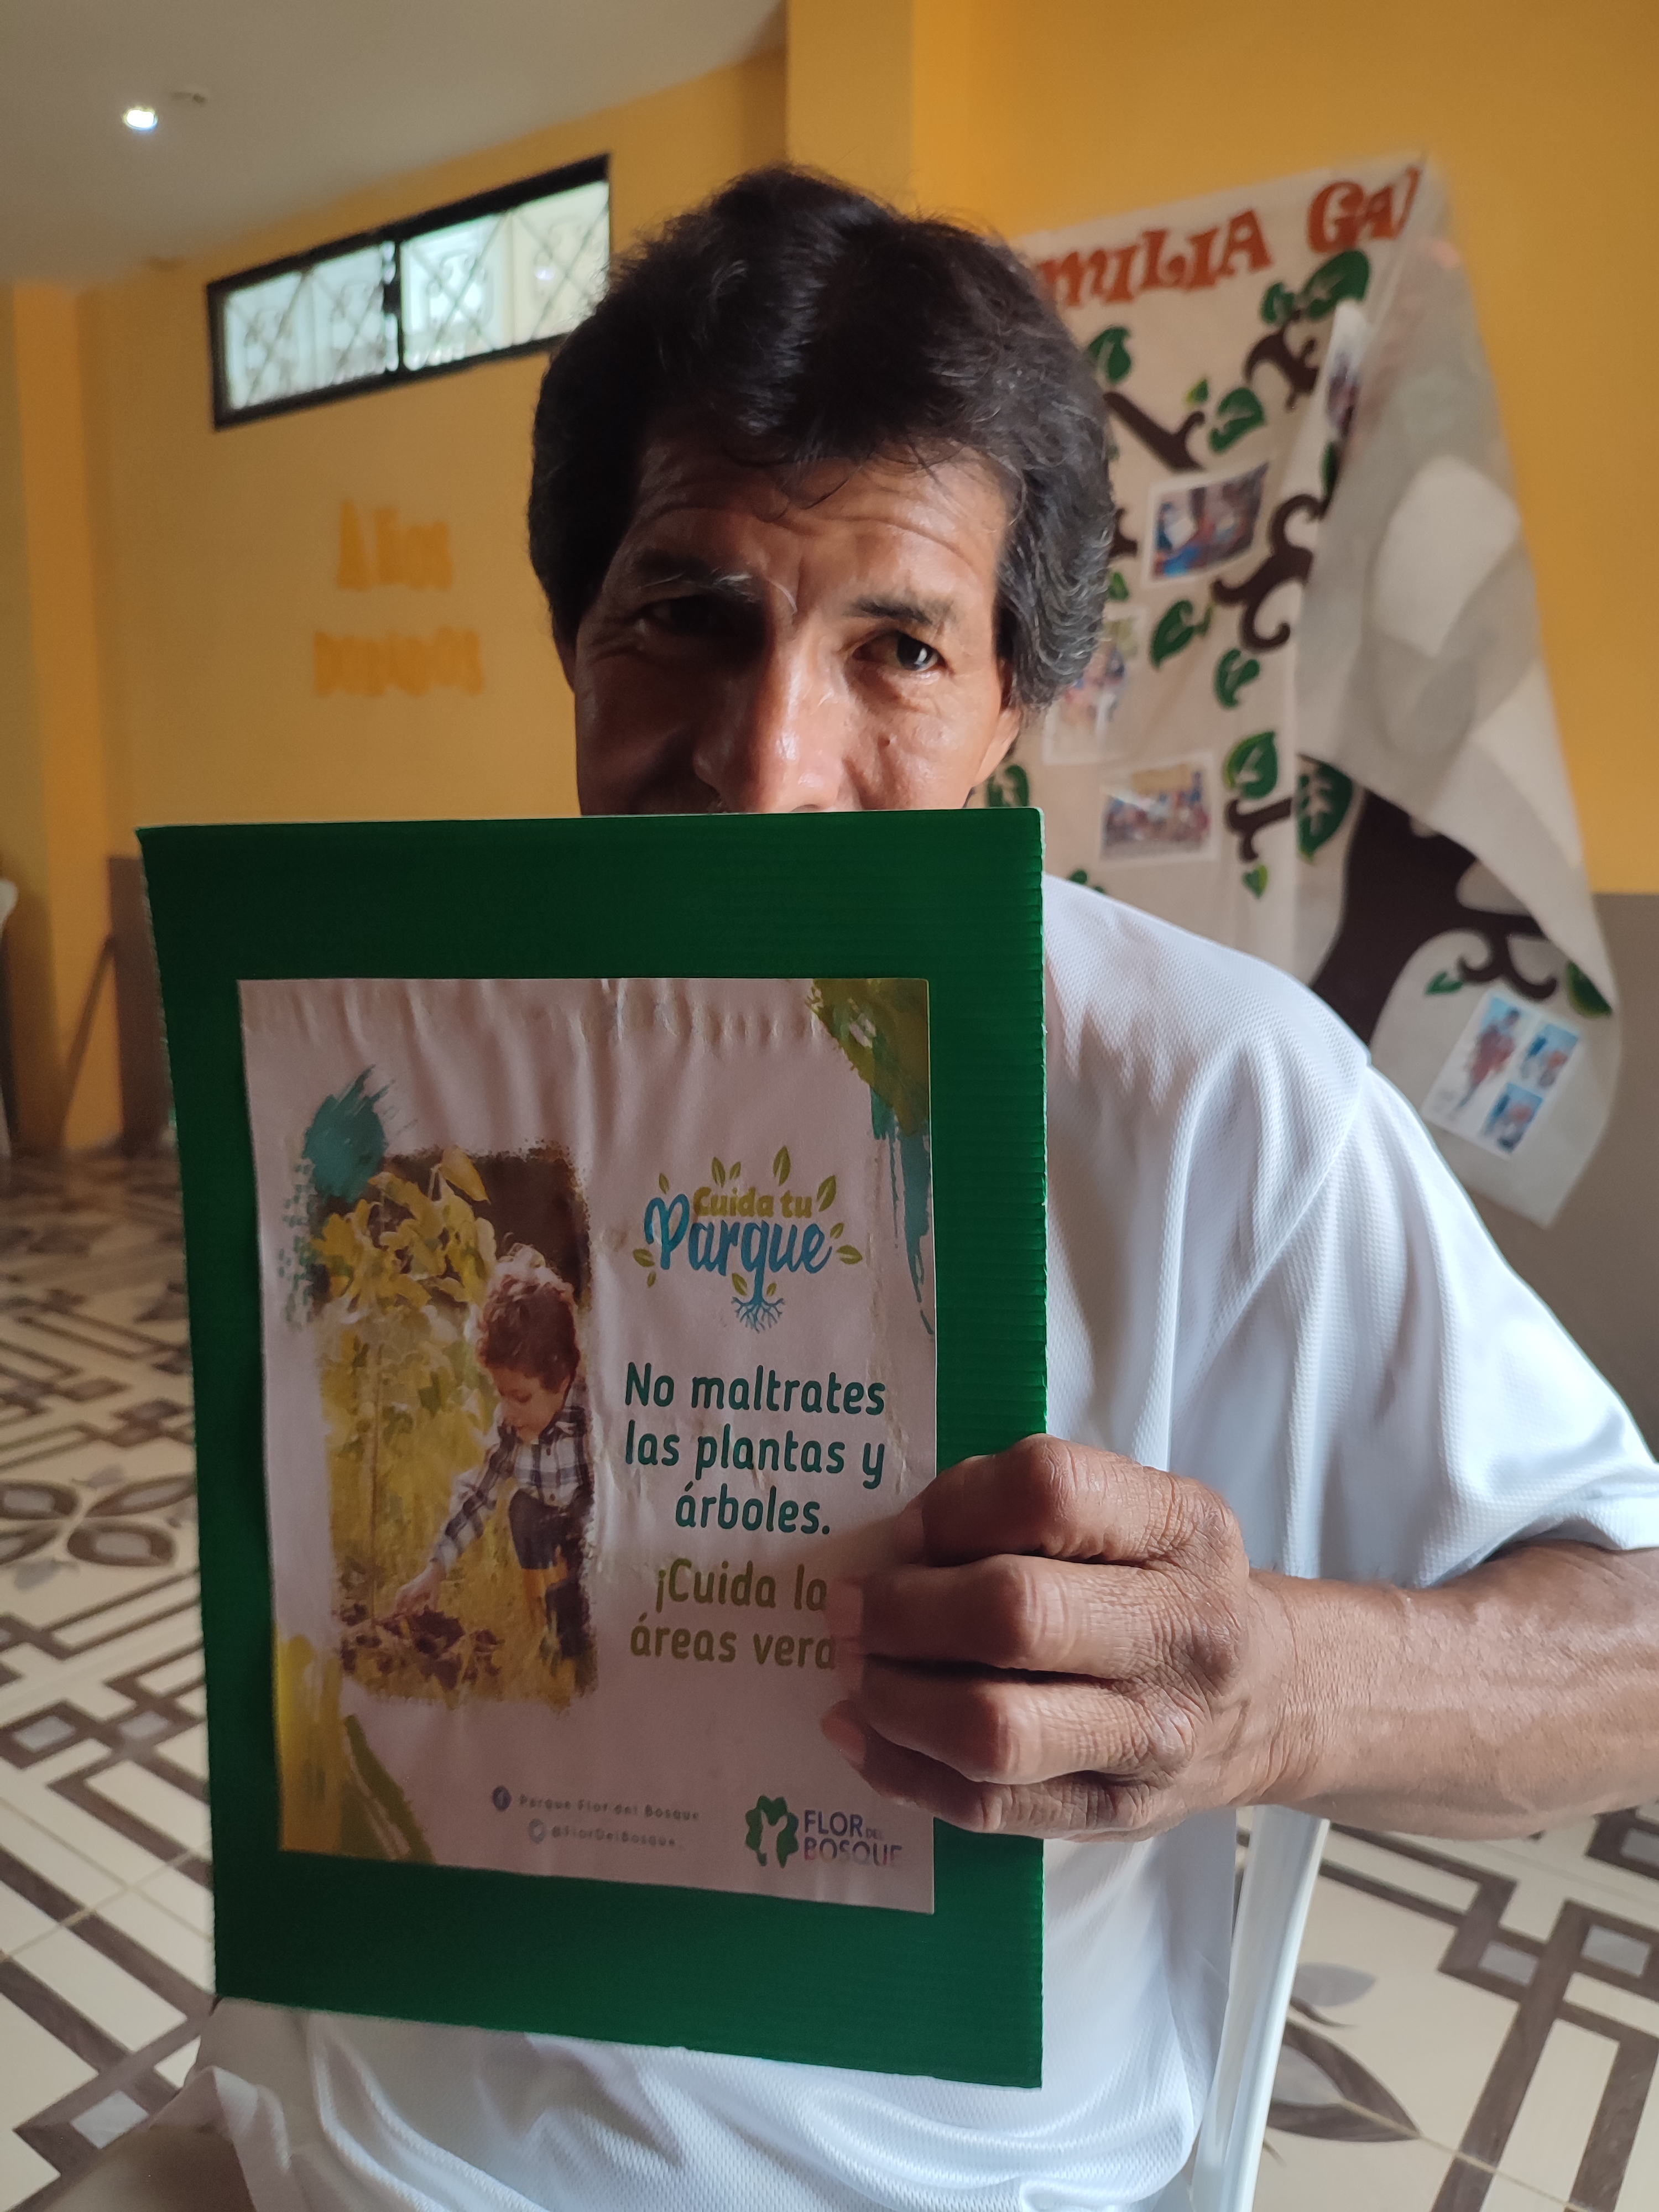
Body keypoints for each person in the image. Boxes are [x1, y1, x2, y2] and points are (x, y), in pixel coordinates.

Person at [92, 166, 1658, 2212]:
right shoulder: (395, 1051)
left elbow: (1634, 1647)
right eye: (688, 615)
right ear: (575, 638)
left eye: (896, 646)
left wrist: (1264, 1689)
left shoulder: (1213, 1096)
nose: (764, 764)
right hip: (330, 2139)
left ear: (1015, 702)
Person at [390, 1251, 595, 1686]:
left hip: (594, 1541)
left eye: (521, 1398)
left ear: (562, 1380)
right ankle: (546, 1629)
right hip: (549, 1538)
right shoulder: (511, 1427)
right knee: (524, 1508)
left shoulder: (591, 1420)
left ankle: (585, 1626)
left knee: (586, 1514)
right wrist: (436, 1568)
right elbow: (480, 1493)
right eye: (502, 1395)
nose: (509, 1411)